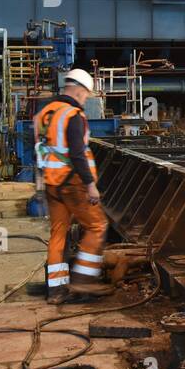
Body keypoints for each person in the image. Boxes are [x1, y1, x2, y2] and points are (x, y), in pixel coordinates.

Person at [35, 68, 113, 303]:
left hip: (51, 184)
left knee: (58, 233)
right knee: (97, 226)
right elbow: (78, 154)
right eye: (86, 94)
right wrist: (90, 185)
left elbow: (41, 150)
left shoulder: (45, 113)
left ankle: (56, 291)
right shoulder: (73, 116)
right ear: (78, 91)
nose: (86, 99)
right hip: (73, 183)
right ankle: (84, 282)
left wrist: (40, 182)